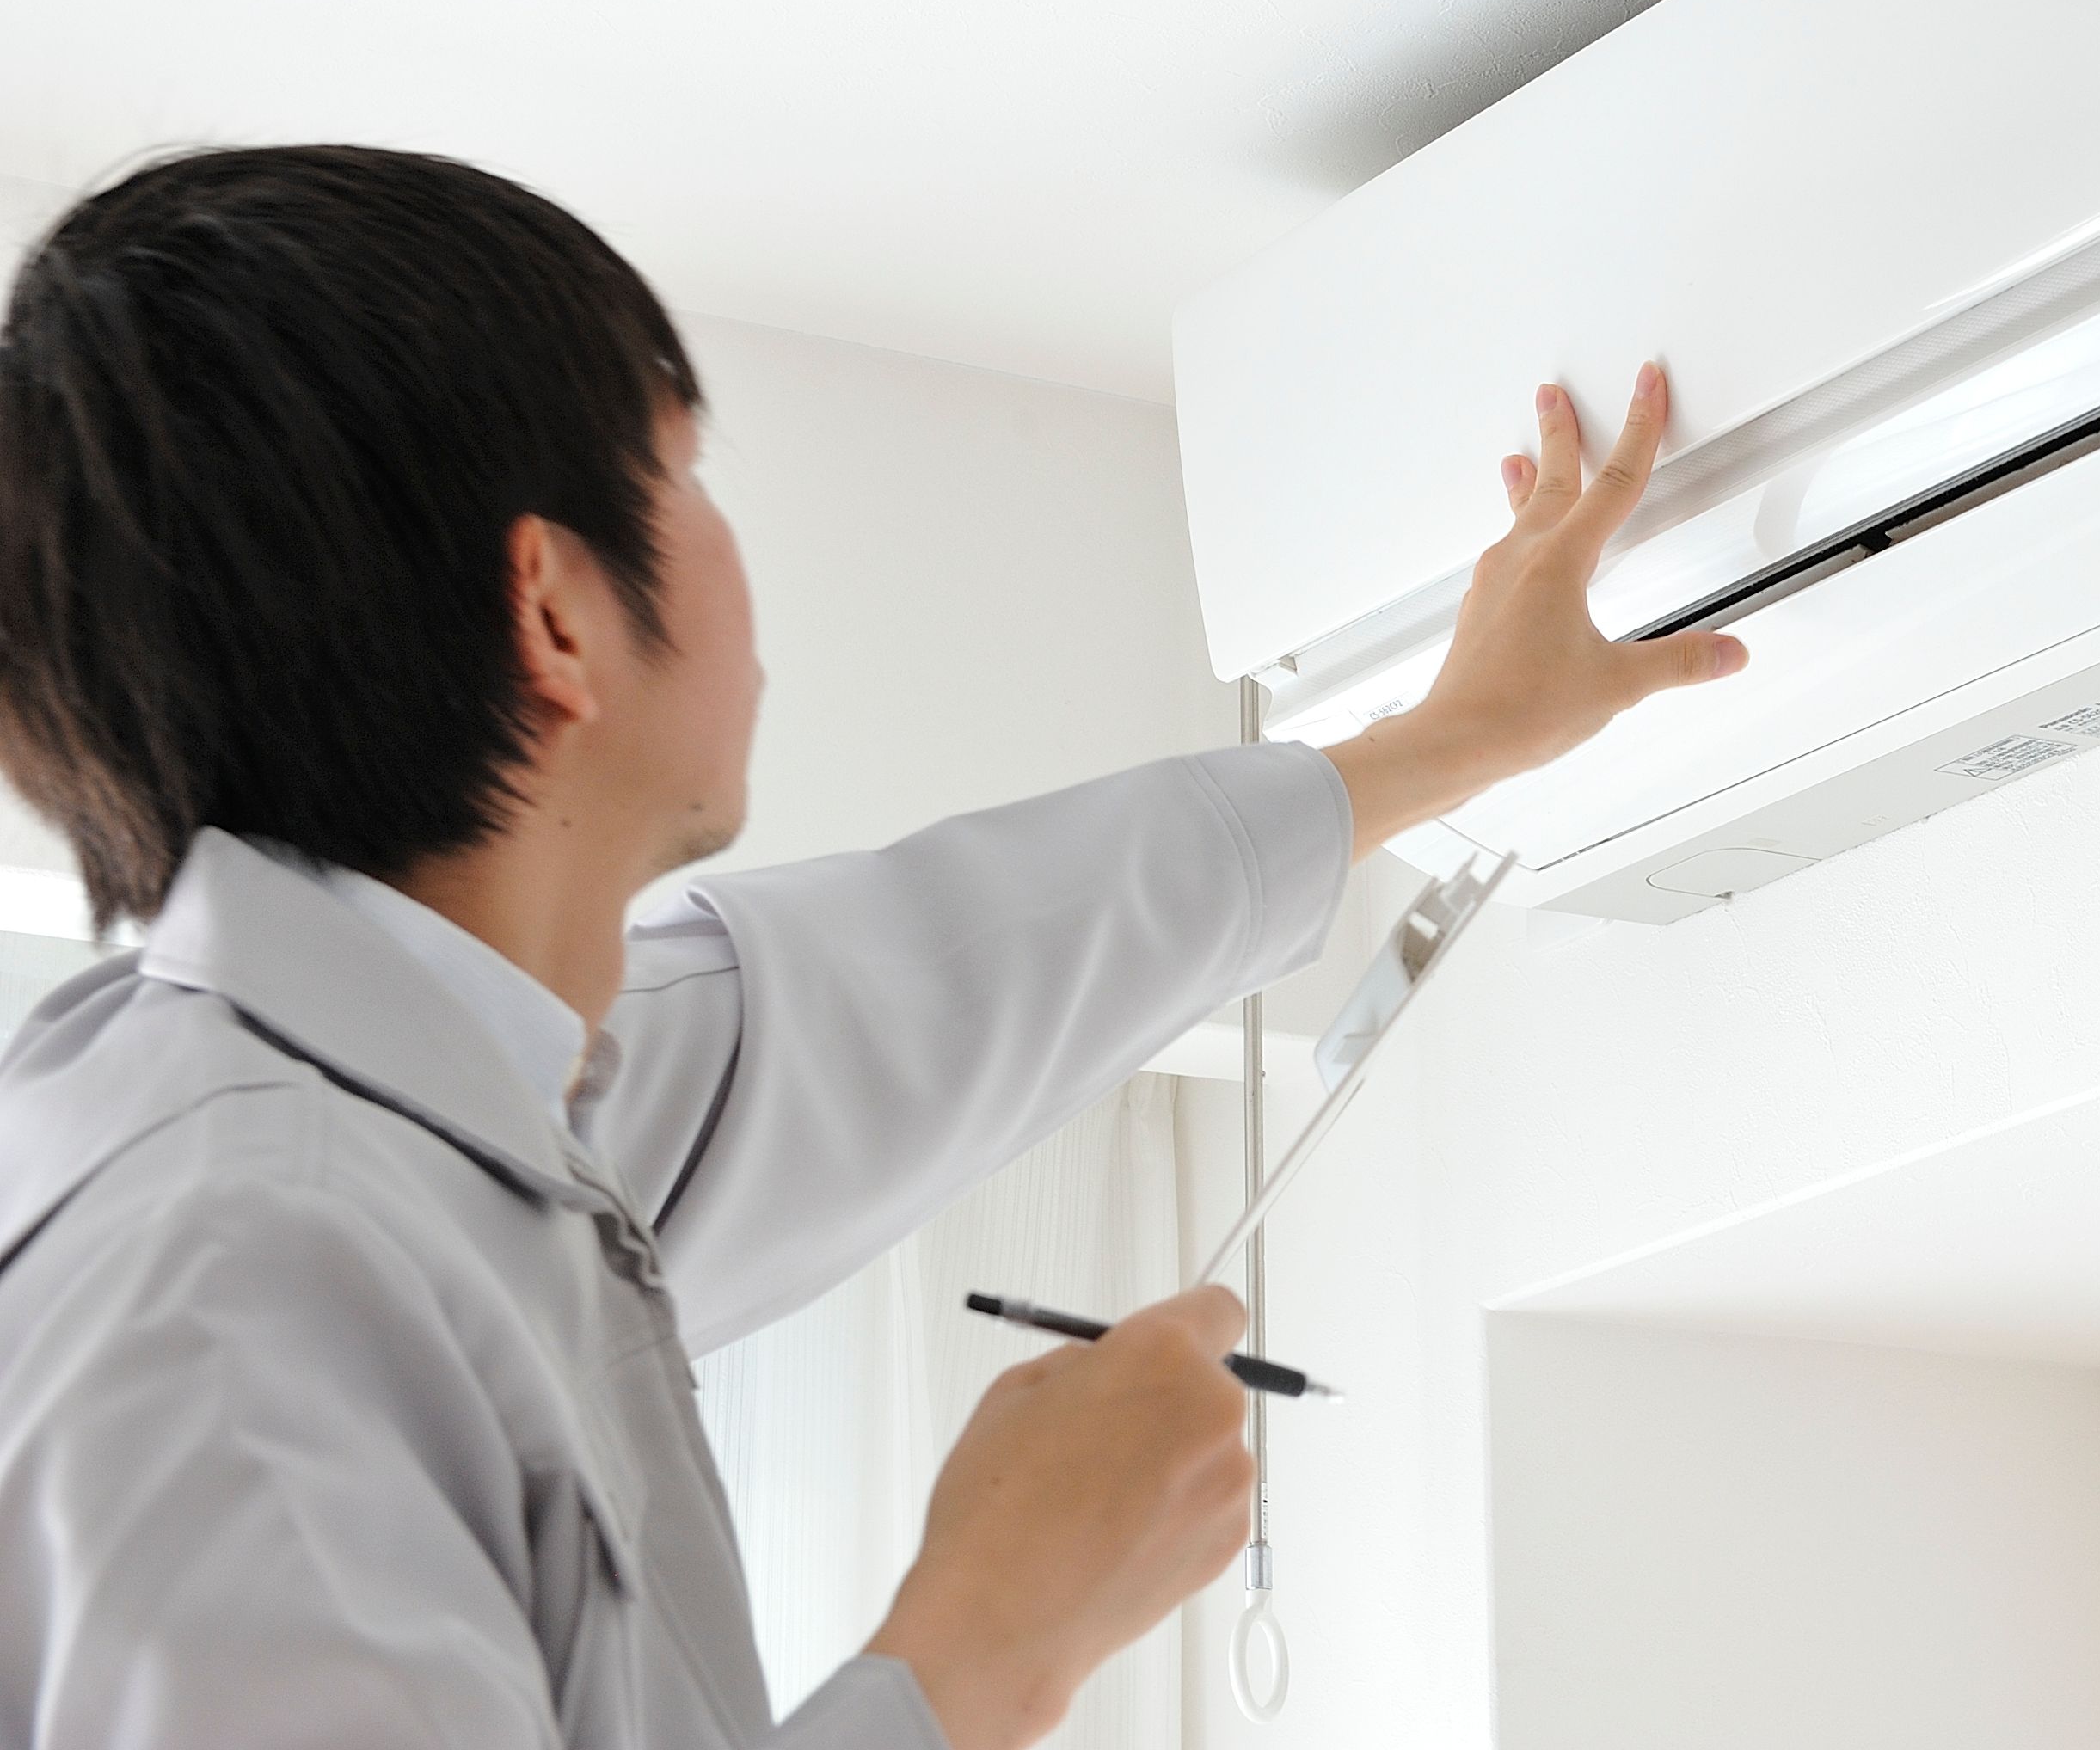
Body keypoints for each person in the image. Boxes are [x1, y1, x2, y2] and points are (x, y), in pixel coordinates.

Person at [0, 145, 1746, 1749]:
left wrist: (1430, 752)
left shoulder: (404, 1115)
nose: (729, 541)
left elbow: (897, 988)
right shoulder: (238, 1287)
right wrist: (985, 1643)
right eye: (683, 474)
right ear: (555, 611)